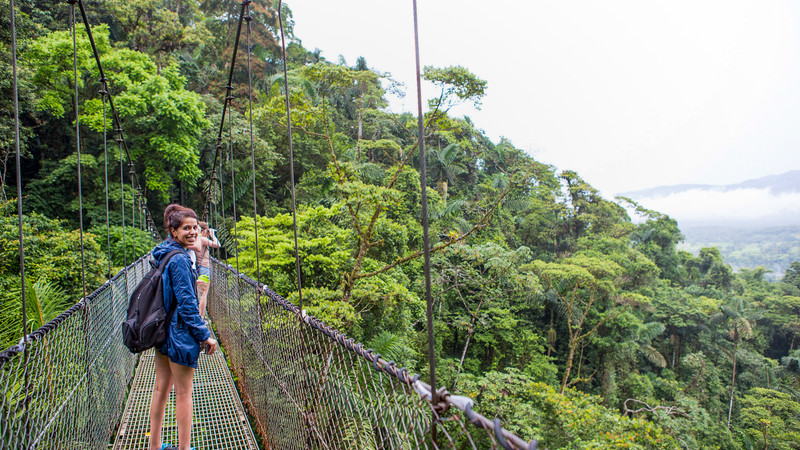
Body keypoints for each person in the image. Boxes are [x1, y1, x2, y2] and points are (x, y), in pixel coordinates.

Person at [148, 204, 218, 450]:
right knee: (184, 394)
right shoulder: (179, 259)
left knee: (161, 389)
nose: (192, 232)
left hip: (162, 332)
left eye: (195, 227)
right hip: (178, 334)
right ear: (173, 230)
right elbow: (188, 305)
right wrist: (205, 335)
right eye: (186, 228)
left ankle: (155, 446)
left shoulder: (164, 252)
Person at [190, 221, 220, 318]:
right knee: (203, 294)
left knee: (197, 292)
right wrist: (213, 235)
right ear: (203, 231)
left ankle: (197, 315)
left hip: (197, 267)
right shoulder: (202, 239)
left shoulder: (194, 240)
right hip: (205, 267)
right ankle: (201, 317)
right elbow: (217, 244)